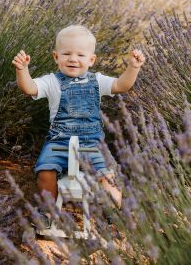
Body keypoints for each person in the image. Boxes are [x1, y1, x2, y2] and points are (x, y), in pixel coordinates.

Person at [12, 25, 145, 228]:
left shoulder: (97, 81)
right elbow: (29, 87)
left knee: (107, 174)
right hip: (59, 142)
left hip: (91, 142)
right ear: (56, 57)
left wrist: (133, 68)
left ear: (91, 60)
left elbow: (121, 85)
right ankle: (47, 212)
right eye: (66, 54)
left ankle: (114, 207)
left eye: (80, 55)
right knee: (45, 171)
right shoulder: (51, 81)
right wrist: (22, 70)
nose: (73, 59)